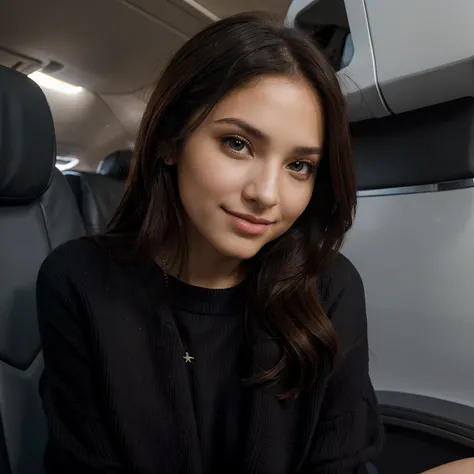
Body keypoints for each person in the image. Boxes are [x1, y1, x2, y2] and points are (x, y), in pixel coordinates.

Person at [35, 11, 473, 474]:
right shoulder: (80, 281)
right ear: (170, 141)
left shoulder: (329, 289)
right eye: (238, 144)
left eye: (299, 166)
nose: (266, 194)